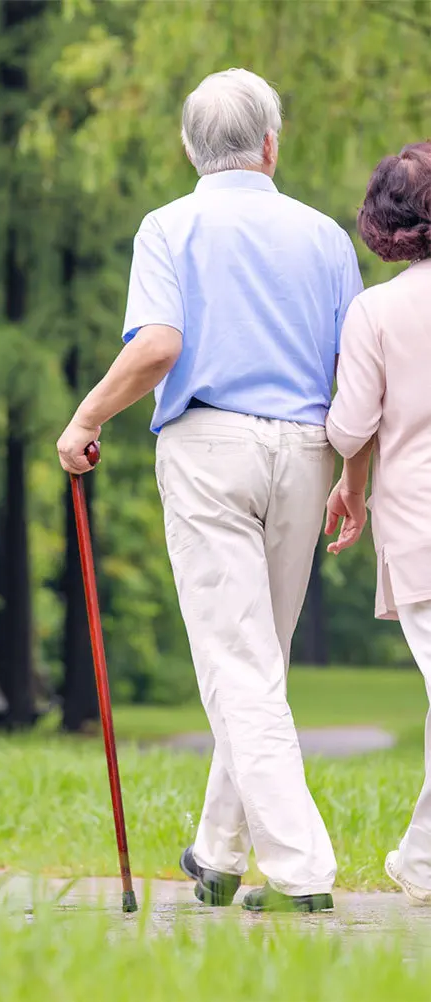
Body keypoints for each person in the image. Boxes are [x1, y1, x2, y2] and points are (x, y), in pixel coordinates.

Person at [57, 68, 363, 913]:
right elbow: (352, 374)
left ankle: (301, 870)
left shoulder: (170, 226)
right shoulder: (327, 238)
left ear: (191, 149)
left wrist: (85, 418)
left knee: (239, 666)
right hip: (306, 452)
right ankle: (219, 854)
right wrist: (353, 476)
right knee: (258, 663)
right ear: (271, 143)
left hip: (209, 447)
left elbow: (158, 345)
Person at [325, 141, 431, 906]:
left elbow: (350, 424)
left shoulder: (377, 311)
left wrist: (348, 480)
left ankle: (424, 860)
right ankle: (423, 860)